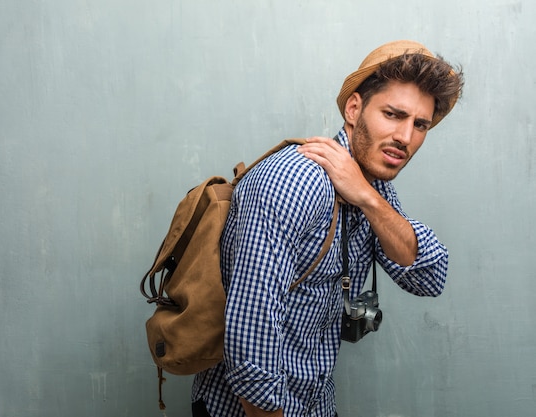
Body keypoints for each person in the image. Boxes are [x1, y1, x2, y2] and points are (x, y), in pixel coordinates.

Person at [191, 40, 464, 417]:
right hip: (250, 410)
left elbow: (428, 277)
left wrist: (367, 198)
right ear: (354, 108)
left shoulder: (371, 183)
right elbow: (251, 345)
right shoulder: (294, 180)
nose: (405, 137)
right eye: (393, 114)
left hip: (315, 402)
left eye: (420, 125)